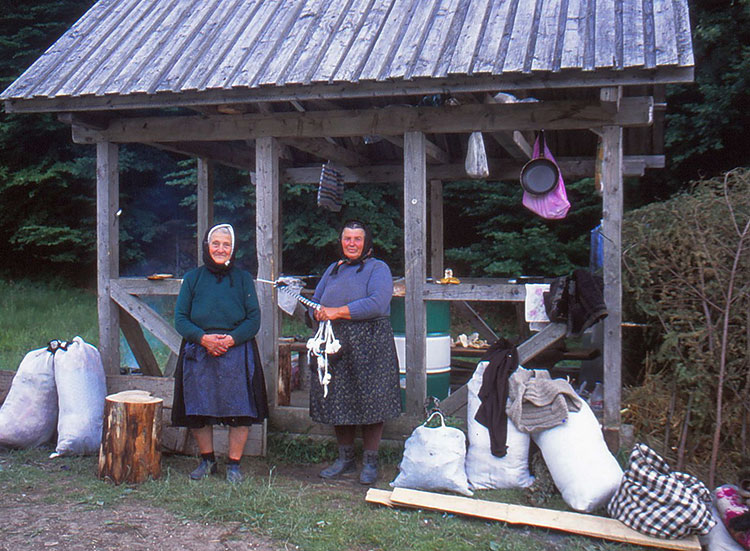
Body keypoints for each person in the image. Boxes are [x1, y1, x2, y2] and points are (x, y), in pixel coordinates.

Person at [172, 223, 268, 483]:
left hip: (235, 349)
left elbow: (253, 320)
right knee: (199, 408)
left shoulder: (243, 279)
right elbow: (180, 319)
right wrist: (203, 339)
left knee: (240, 408)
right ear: (207, 246)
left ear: (233, 249)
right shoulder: (193, 278)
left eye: (226, 245)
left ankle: (234, 464)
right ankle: (207, 460)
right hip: (200, 348)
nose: (221, 249)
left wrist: (230, 340)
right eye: (216, 243)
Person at [310, 219, 401, 485]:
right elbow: (316, 298)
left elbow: (376, 303)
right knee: (338, 397)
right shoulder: (333, 269)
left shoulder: (378, 268)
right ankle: (345, 460)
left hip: (370, 339)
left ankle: (371, 462)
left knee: (371, 398)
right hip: (335, 339)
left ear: (366, 242)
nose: (351, 244)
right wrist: (314, 311)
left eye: (357, 239)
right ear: (341, 242)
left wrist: (337, 311)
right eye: (347, 239)